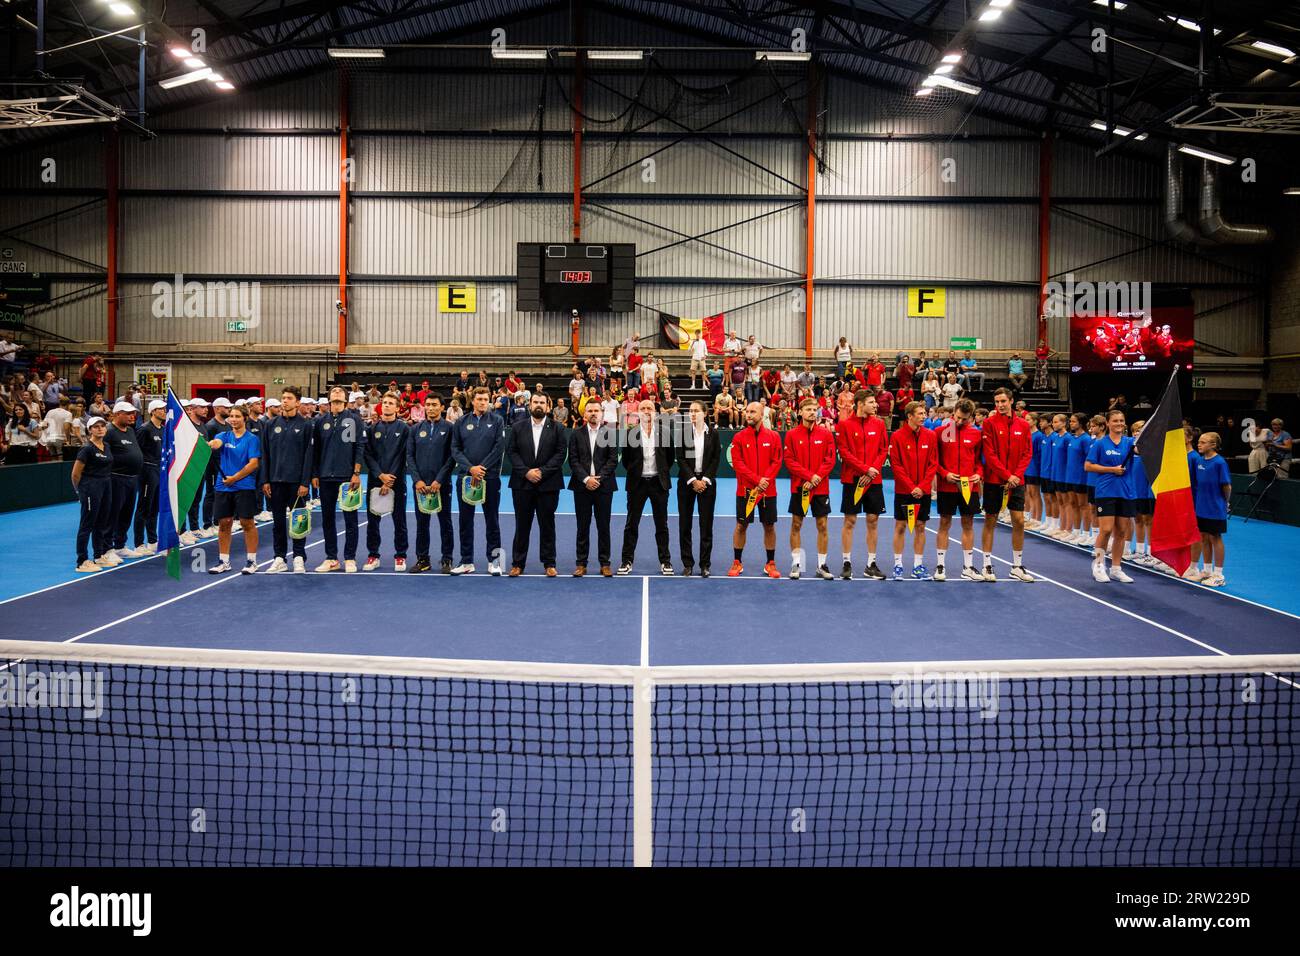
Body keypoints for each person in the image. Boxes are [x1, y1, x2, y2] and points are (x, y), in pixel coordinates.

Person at [505, 392, 566, 577]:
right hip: (522, 484)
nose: (539, 405)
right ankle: (517, 563)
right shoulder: (517, 427)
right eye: (535, 402)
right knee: (522, 525)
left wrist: (542, 472)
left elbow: (560, 454)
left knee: (547, 525)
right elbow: (512, 452)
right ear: (529, 405)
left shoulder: (558, 428)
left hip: (548, 484)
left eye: (542, 402)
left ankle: (549, 563)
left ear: (548, 406)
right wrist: (526, 472)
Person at [979, 388, 1036, 583]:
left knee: (1019, 521)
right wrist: (1006, 475)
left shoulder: (1023, 425)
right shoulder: (989, 423)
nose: (1000, 405)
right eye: (997, 402)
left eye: (1003, 401)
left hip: (1016, 481)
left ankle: (1017, 566)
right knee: (990, 520)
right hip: (995, 480)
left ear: (1011, 401)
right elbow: (990, 454)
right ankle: (987, 564)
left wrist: (1016, 476)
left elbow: (1027, 452)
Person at [450, 387, 507, 575]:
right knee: (465, 521)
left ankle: (494, 561)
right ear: (472, 401)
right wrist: (470, 469)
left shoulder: (497, 420)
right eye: (479, 399)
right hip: (466, 479)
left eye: (485, 399)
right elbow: (455, 449)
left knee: (492, 520)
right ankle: (466, 561)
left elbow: (499, 447)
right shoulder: (460, 422)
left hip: (489, 479)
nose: (483, 402)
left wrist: (481, 469)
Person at [259, 387, 315, 573]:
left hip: (296, 484)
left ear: (297, 402)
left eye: (289, 398)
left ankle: (299, 557)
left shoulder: (307, 425)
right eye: (283, 398)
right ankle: (279, 558)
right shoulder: (269, 424)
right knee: (278, 524)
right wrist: (265, 480)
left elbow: (309, 455)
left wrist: (304, 482)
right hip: (275, 482)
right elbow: (265, 454)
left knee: (298, 521)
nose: (285, 401)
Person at [203, 404, 262, 575]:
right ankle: (224, 561)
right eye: (231, 416)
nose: (234, 419)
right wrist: (210, 444)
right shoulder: (223, 435)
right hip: (223, 487)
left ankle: (252, 561)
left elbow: (253, 464)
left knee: (247, 523)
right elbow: (216, 443)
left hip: (244, 486)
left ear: (244, 418)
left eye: (237, 416)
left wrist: (235, 478)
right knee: (224, 523)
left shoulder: (252, 439)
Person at [836, 389, 888, 580]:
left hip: (873, 480)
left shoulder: (880, 424)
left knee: (873, 521)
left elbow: (883, 450)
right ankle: (847, 563)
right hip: (853, 479)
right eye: (872, 402)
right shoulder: (844, 425)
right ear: (860, 404)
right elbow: (844, 452)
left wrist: (872, 470)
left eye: (875, 402)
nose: (876, 405)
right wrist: (865, 469)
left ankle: (871, 564)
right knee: (850, 521)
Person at [618, 399, 674, 575]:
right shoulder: (630, 434)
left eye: (649, 408)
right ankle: (626, 561)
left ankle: (665, 562)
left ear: (655, 412)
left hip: (659, 484)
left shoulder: (665, 433)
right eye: (643, 408)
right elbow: (626, 461)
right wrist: (637, 473)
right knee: (631, 525)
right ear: (638, 412)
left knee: (662, 525)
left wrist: (660, 473)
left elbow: (669, 458)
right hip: (637, 484)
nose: (646, 411)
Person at [313, 386, 365, 573]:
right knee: (328, 519)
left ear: (345, 399)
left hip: (347, 478)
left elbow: (359, 447)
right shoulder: (320, 422)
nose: (336, 393)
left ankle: (350, 557)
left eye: (339, 392)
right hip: (326, 477)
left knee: (350, 519)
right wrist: (315, 474)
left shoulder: (353, 420)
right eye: (333, 392)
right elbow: (316, 451)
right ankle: (331, 558)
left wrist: (356, 473)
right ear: (329, 399)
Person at [729, 401, 783, 578]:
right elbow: (738, 463)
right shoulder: (739, 437)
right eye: (747, 411)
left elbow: (777, 461)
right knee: (741, 525)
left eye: (753, 412)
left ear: (762, 415)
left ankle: (770, 563)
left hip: (768, 491)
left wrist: (764, 481)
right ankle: (737, 562)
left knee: (769, 526)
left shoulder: (774, 436)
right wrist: (758, 480)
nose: (748, 414)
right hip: (746, 491)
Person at [784, 397, 836, 580]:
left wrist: (816, 478)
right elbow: (789, 461)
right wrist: (808, 477)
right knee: (796, 524)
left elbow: (830, 460)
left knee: (822, 525)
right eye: (808, 409)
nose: (812, 412)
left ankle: (822, 565)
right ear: (800, 412)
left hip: (820, 488)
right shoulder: (791, 435)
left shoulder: (826, 434)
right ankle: (796, 564)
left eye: (815, 410)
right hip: (800, 487)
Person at [934, 399, 984, 582]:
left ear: (971, 417)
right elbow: (934, 460)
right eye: (957, 417)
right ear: (953, 412)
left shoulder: (977, 434)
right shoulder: (940, 432)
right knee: (944, 523)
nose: (960, 422)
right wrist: (944, 473)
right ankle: (940, 566)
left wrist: (979, 474)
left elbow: (979, 461)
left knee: (968, 524)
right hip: (947, 485)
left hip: (969, 487)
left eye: (964, 419)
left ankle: (968, 567)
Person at [1085, 408, 1137, 584]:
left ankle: (1116, 568)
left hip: (1126, 491)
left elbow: (1143, 450)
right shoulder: (1100, 444)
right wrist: (1111, 470)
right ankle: (1099, 565)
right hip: (1106, 491)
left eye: (1122, 421)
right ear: (1108, 423)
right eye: (1115, 421)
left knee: (1121, 531)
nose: (1119, 424)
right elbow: (1088, 466)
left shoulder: (1130, 442)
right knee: (1106, 529)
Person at [406, 393, 455, 575]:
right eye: (428, 404)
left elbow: (452, 457)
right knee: (421, 524)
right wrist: (417, 480)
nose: (431, 408)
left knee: (445, 523)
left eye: (435, 404)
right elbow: (409, 456)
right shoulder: (415, 429)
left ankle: (447, 559)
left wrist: (439, 480)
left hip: (441, 485)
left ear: (442, 407)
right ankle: (423, 559)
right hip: (420, 486)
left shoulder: (450, 429)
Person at [361, 392, 411, 572]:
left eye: (391, 403)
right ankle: (373, 555)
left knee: (400, 520)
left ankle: (400, 556)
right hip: (376, 481)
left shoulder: (405, 429)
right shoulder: (371, 429)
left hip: (396, 482)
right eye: (385, 402)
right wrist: (380, 475)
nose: (387, 405)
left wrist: (389, 479)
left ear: (398, 408)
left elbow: (403, 455)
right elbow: (368, 455)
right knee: (372, 520)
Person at [569, 398, 618, 577]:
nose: (593, 413)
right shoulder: (575, 434)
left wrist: (598, 478)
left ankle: (605, 563)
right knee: (583, 526)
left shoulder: (609, 434)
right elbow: (573, 460)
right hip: (582, 487)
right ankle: (581, 563)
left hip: (603, 487)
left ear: (602, 413)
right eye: (590, 411)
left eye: (596, 411)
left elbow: (613, 460)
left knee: (603, 526)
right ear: (584, 414)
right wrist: (585, 479)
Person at [888, 401, 936, 580]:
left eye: (925, 413)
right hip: (904, 490)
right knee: (900, 526)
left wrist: (922, 487)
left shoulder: (930, 436)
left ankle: (918, 565)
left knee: (920, 526)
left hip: (923, 491)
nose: (924, 416)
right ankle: (898, 565)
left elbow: (933, 464)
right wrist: (911, 487)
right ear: (909, 416)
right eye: (920, 413)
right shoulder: (897, 436)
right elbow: (896, 464)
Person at [675, 399, 720, 576]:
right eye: (690, 411)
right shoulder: (683, 433)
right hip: (687, 483)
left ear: (705, 413)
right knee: (685, 524)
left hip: (707, 484)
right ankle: (687, 563)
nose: (692, 414)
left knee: (706, 525)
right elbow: (681, 459)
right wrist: (693, 480)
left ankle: (705, 564)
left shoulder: (714, 434)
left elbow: (716, 458)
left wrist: (705, 479)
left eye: (696, 411)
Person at [71, 416, 116, 572]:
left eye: (102, 426)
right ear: (90, 430)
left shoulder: (107, 446)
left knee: (102, 523)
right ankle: (82, 561)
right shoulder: (87, 449)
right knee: (87, 524)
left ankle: (98, 556)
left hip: (106, 486)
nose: (100, 428)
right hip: (90, 487)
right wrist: (80, 492)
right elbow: (75, 474)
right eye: (96, 426)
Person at [104, 401, 146, 561]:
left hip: (132, 479)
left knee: (126, 514)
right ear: (117, 414)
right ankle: (106, 549)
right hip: (116, 479)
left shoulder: (130, 431)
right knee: (112, 515)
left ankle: (120, 545)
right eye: (128, 413)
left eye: (133, 413)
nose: (132, 416)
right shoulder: (109, 432)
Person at [1192, 431, 1231, 587]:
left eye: (1203, 442)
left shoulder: (1220, 463)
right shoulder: (1199, 461)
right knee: (1203, 537)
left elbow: (1227, 486)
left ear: (1213, 445)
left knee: (1215, 537)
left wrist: (1225, 503)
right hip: (1201, 507)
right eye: (1199, 442)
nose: (1199, 444)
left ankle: (1219, 574)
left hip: (1215, 507)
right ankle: (1207, 571)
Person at [131, 399, 166, 556]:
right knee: (143, 508)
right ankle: (138, 543)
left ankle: (152, 541)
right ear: (153, 411)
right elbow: (137, 452)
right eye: (161, 409)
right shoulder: (144, 429)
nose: (164, 411)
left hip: (159, 471)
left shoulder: (163, 429)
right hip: (147, 472)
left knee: (155, 508)